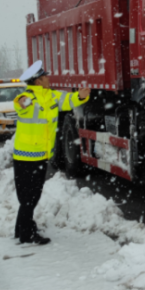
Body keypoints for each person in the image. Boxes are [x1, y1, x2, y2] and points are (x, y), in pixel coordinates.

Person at [11, 60, 90, 245]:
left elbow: (69, 100)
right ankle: (26, 235)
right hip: (24, 156)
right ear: (38, 81)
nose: (48, 78)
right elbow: (20, 104)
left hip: (41, 155)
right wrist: (22, 102)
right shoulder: (27, 97)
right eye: (45, 76)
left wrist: (81, 95)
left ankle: (20, 228)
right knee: (28, 196)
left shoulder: (52, 96)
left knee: (31, 196)